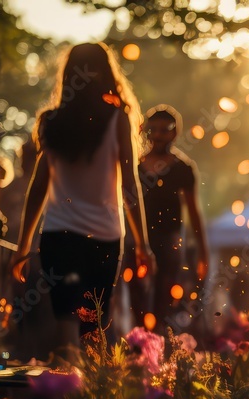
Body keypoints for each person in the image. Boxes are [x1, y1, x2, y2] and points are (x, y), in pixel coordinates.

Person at [11, 42, 155, 356]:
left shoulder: (52, 121)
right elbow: (130, 184)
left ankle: (62, 392)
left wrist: (22, 247)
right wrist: (142, 244)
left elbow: (38, 188)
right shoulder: (118, 119)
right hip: (103, 238)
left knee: (66, 321)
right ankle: (87, 397)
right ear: (106, 74)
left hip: (58, 236)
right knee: (94, 328)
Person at [122, 105, 208, 333]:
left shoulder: (183, 169)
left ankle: (156, 350)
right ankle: (138, 349)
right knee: (136, 299)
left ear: (175, 132)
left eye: (164, 129)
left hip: (169, 242)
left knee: (164, 299)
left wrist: (202, 251)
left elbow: (193, 211)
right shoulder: (134, 167)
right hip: (137, 240)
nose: (158, 135)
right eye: (153, 130)